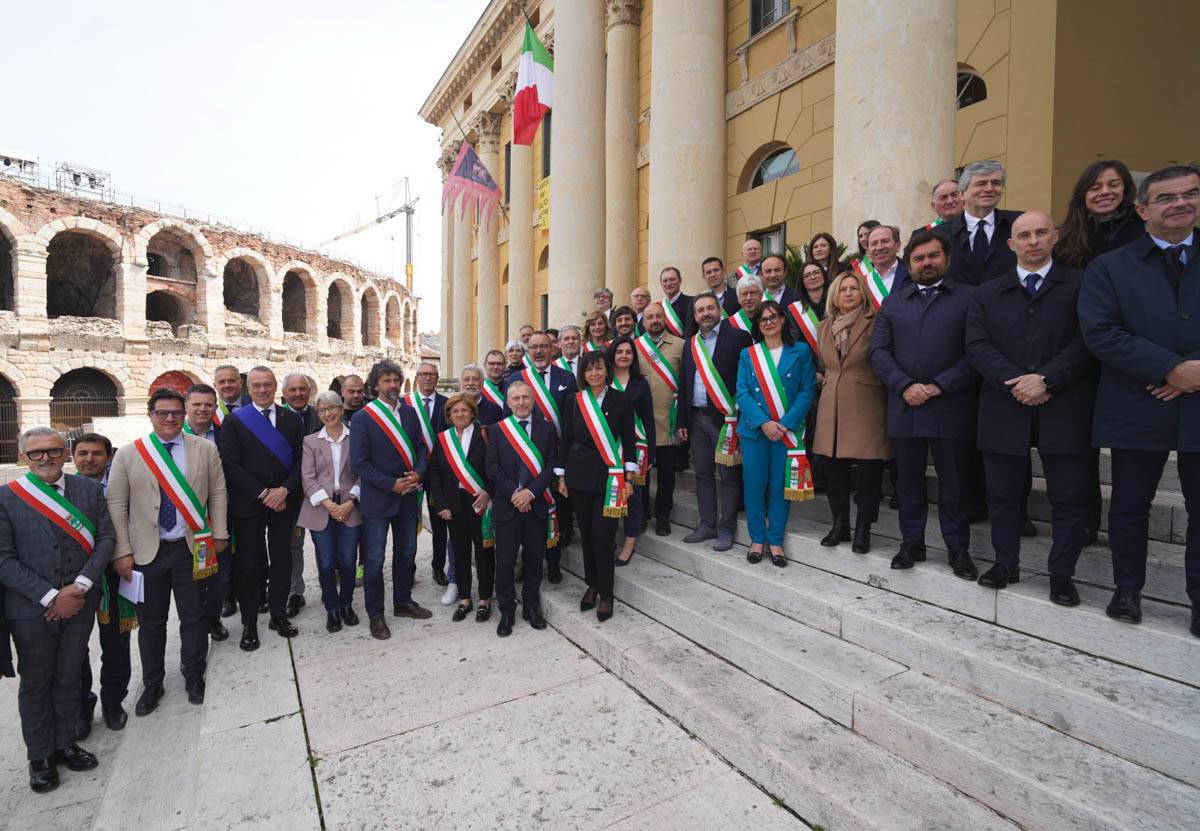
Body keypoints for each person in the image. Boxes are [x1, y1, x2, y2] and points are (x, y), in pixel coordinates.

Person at [1078, 163, 1200, 637]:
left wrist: (1193, 374)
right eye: (1167, 198)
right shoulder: (1110, 266)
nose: (1181, 204)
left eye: (1189, 194)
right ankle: (1126, 589)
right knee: (1130, 505)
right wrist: (1170, 370)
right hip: (1138, 401)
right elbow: (1101, 332)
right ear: (1143, 208)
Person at [966, 211, 1095, 599]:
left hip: (1064, 405)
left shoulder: (1080, 285)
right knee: (1003, 495)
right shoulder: (986, 293)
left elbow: (1087, 340)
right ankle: (1006, 563)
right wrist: (1018, 383)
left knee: (1069, 496)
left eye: (1041, 233)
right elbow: (976, 346)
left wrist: (1046, 379)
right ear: (1012, 244)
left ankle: (1061, 575)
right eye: (1024, 235)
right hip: (1005, 407)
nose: (1033, 240)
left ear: (1055, 236)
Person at [0, 427, 114, 794]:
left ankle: (65, 743)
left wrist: (80, 586)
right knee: (37, 682)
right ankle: (40, 756)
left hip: (80, 602)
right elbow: (3, 559)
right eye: (36, 453)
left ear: (65, 454)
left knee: (69, 675)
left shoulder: (89, 490)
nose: (46, 458)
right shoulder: (7, 498)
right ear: (24, 458)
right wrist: (52, 596)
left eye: (52, 451)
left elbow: (106, 539)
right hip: (31, 610)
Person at [107, 387, 228, 713]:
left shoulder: (204, 449)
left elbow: (217, 493)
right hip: (147, 553)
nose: (170, 418)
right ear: (151, 415)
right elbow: (116, 504)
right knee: (151, 623)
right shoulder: (130, 453)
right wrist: (121, 551)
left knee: (193, 616)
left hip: (192, 548)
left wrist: (219, 534)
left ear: (184, 413)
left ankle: (193, 674)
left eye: (176, 412)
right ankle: (153, 683)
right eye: (163, 413)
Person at [869, 230, 979, 579]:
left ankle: (958, 550)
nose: (926, 263)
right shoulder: (894, 302)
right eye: (919, 259)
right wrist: (905, 385)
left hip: (951, 406)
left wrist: (938, 386)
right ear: (910, 264)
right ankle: (911, 543)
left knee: (955, 485)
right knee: (908, 484)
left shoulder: (969, 298)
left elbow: (977, 352)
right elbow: (878, 352)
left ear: (946, 259)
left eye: (933, 256)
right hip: (906, 407)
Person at [1055, 160, 1145, 543]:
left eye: (1113, 184)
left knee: (1132, 453)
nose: (1104, 192)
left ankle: (1126, 523)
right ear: (1083, 194)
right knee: (1082, 447)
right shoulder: (1069, 238)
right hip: (1081, 353)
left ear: (1126, 189)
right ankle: (1088, 520)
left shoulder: (1143, 232)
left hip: (1133, 353)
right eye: (1095, 186)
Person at [218, 366, 305, 651]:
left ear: (275, 386)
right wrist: (262, 492)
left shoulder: (292, 419)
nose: (263, 390)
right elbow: (230, 464)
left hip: (283, 502)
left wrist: (284, 490)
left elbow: (300, 463)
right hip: (248, 503)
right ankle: (249, 624)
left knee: (282, 560)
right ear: (248, 388)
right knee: (249, 565)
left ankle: (278, 616)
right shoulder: (234, 421)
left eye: (267, 384)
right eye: (257, 385)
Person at [350, 359, 433, 640]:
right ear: (375, 385)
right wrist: (391, 484)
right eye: (386, 381)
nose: (393, 385)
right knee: (374, 560)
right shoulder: (363, 417)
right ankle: (376, 615)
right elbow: (359, 463)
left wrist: (418, 475)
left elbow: (422, 449)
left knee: (407, 552)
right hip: (378, 500)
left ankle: (402, 602)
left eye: (395, 380)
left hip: (409, 496)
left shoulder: (409, 414)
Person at [556, 351, 637, 622]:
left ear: (607, 370)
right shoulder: (574, 401)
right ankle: (591, 583)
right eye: (589, 369)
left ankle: (606, 593)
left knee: (603, 537)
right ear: (583, 373)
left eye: (599, 368)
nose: (594, 374)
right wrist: (562, 476)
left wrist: (629, 479)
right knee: (588, 536)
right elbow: (565, 439)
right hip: (578, 478)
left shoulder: (621, 400)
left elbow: (629, 440)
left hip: (609, 478)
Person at [814, 271, 891, 553]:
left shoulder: (876, 322)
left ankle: (863, 530)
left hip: (866, 404)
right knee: (835, 475)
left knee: (869, 476)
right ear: (834, 295)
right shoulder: (824, 327)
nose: (848, 293)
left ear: (862, 293)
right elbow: (825, 363)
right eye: (843, 289)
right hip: (831, 405)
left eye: (853, 289)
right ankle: (840, 525)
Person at [737, 301, 817, 567]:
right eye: (763, 319)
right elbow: (742, 393)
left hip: (786, 432)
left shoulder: (801, 351)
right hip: (755, 431)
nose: (769, 322)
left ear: (783, 320)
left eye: (773, 317)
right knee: (754, 485)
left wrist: (784, 423)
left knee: (780, 488)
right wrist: (764, 423)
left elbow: (807, 390)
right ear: (758, 325)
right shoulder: (749, 354)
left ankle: (776, 540)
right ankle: (757, 538)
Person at [677, 292, 754, 551]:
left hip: (726, 421)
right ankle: (707, 523)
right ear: (695, 316)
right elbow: (684, 383)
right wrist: (682, 421)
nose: (706, 313)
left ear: (719, 310)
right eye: (700, 310)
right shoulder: (690, 344)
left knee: (729, 476)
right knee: (702, 474)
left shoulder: (739, 338)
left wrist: (742, 420)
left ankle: (726, 528)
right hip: (696, 419)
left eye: (710, 308)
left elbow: (748, 380)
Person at [502, 330, 578, 572]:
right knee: (530, 511)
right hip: (526, 455)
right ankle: (528, 562)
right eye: (533, 347)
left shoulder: (566, 377)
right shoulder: (517, 378)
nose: (538, 351)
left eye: (543, 346)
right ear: (528, 351)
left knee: (556, 506)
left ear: (552, 348)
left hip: (557, 453)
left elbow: (572, 418)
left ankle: (554, 561)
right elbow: (508, 421)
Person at [486, 381, 557, 636]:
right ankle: (506, 611)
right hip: (508, 506)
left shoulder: (547, 430)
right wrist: (515, 493)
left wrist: (530, 492)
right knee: (505, 562)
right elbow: (492, 466)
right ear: (508, 402)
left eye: (526, 397)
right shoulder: (496, 430)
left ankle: (531, 607)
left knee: (534, 561)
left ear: (533, 400)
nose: (521, 402)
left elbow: (550, 465)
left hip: (535, 504)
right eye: (516, 398)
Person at [71, 433, 130, 738]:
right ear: (73, 456)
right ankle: (82, 708)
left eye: (96, 453)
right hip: (75, 578)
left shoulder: (121, 484)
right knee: (76, 647)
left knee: (117, 642)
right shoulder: (62, 491)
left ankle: (113, 702)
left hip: (115, 571)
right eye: (83, 453)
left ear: (108, 456)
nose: (89, 459)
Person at [297, 391, 362, 633]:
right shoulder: (310, 441)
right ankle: (332, 609)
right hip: (321, 507)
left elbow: (362, 473)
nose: (328, 413)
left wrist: (351, 501)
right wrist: (329, 505)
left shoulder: (355, 437)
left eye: (332, 408)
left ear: (341, 408)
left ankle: (346, 604)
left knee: (347, 561)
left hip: (350, 506)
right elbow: (307, 478)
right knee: (325, 562)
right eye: (322, 410)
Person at [428, 393, 494, 623]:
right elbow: (434, 474)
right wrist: (441, 505)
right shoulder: (443, 439)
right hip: (453, 506)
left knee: (484, 552)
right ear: (449, 415)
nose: (459, 414)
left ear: (472, 413)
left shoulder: (485, 434)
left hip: (479, 503)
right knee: (461, 553)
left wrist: (488, 491)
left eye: (464, 410)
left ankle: (485, 599)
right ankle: (465, 598)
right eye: (454, 411)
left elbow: (495, 467)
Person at [184, 384, 232, 639]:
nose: (202, 409)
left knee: (221, 580)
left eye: (208, 404)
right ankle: (194, 627)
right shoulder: (169, 437)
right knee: (191, 585)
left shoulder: (227, 433)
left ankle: (213, 618)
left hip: (219, 517)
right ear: (186, 407)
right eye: (196, 404)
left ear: (215, 407)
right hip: (185, 523)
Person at [636, 302, 685, 537]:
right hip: (642, 427)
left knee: (667, 475)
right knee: (642, 475)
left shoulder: (680, 345)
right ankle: (643, 513)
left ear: (664, 319)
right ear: (643, 322)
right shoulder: (635, 348)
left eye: (658, 316)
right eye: (649, 317)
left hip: (668, 423)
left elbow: (685, 383)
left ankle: (663, 515)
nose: (654, 320)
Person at [408, 362, 454, 598]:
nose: (427, 378)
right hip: (413, 473)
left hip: (439, 474)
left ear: (437, 378)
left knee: (439, 524)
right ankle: (410, 568)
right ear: (416, 378)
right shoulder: (406, 405)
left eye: (432, 374)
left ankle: (438, 567)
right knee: (410, 523)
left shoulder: (448, 404)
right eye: (423, 374)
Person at [609, 336, 656, 563]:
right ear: (613, 355)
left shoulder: (640, 383)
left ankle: (629, 543)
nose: (624, 356)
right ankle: (608, 540)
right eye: (619, 352)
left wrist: (652, 454)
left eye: (628, 352)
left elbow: (648, 420)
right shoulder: (604, 380)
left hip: (636, 448)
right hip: (609, 447)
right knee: (607, 493)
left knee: (634, 497)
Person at [944, 160, 1022, 286]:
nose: (989, 189)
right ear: (962, 194)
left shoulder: (1020, 224)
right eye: (981, 183)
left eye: (996, 183)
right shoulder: (939, 234)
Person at [282, 373, 321, 619]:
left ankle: (330, 586)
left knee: (325, 544)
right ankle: (295, 592)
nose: (298, 394)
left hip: (319, 493)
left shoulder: (321, 415)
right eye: (292, 390)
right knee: (293, 546)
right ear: (284, 393)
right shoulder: (275, 418)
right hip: (291, 495)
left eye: (302, 389)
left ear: (309, 392)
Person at [856, 225, 910, 304]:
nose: (879, 247)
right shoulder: (861, 281)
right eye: (874, 243)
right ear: (868, 249)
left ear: (897, 246)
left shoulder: (912, 274)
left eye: (885, 241)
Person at [659, 266, 696, 338]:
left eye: (672, 279)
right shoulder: (658, 307)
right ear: (661, 283)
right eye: (665, 281)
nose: (668, 283)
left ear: (680, 281)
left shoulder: (692, 302)